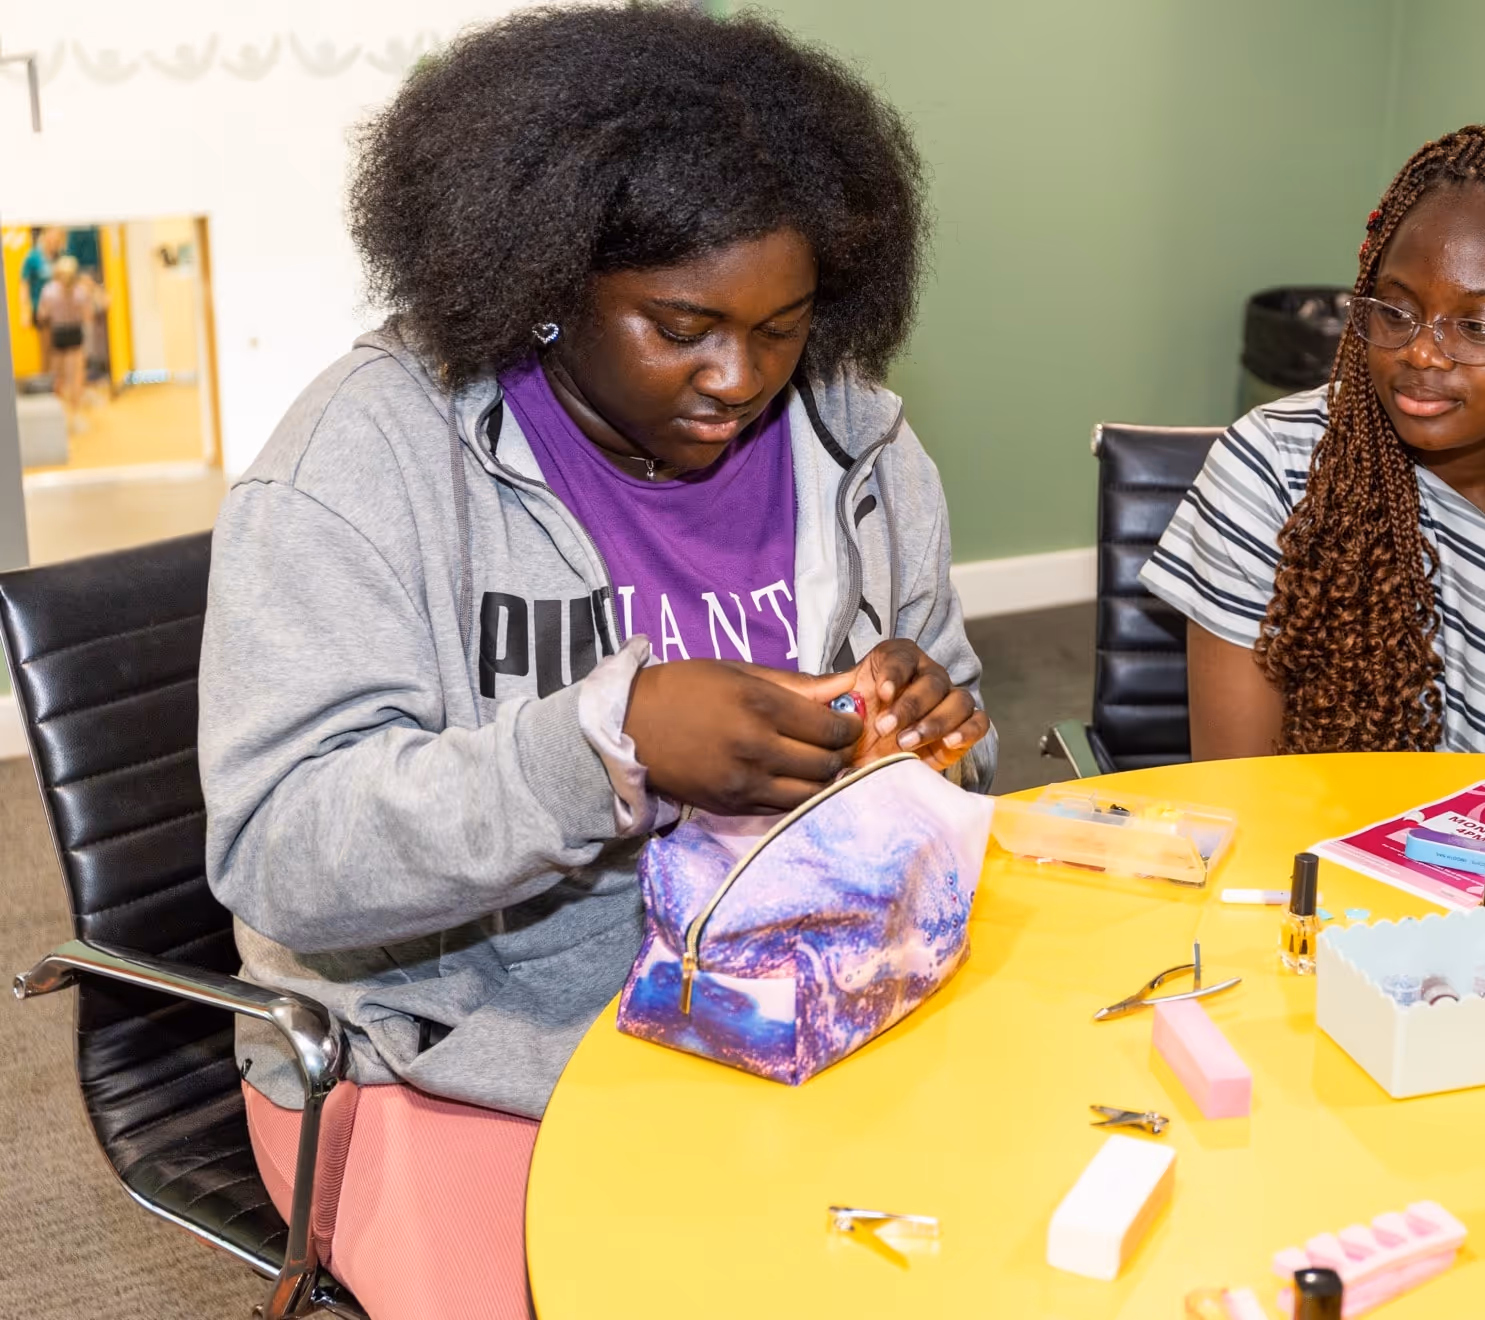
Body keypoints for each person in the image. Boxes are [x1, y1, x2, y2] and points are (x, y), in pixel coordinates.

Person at [197, 8, 993, 1318]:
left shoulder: (862, 449)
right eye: (680, 326)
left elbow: (966, 765)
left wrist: (931, 735)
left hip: (807, 1000)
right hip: (463, 1057)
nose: (738, 376)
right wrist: (604, 750)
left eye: (782, 326)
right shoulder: (362, 467)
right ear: (551, 287)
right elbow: (284, 849)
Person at [1143, 126, 1485, 764]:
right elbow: (1241, 791)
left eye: (1476, 326)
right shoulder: (1273, 469)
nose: (1422, 351)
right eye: (1396, 311)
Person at [34, 254, 91, 434]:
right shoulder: (81, 292)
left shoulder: (49, 290)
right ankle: (74, 415)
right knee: (75, 377)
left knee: (59, 377)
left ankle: (61, 416)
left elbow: (42, 316)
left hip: (59, 334)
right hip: (74, 333)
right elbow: (87, 316)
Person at [20, 225, 64, 367]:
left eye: (58, 238)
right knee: (47, 347)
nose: (56, 241)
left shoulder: (59, 256)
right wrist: (24, 310)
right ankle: (48, 381)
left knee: (60, 349)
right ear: (45, 236)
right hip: (41, 309)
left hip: (61, 309)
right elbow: (24, 284)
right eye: (54, 237)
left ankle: (59, 381)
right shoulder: (33, 257)